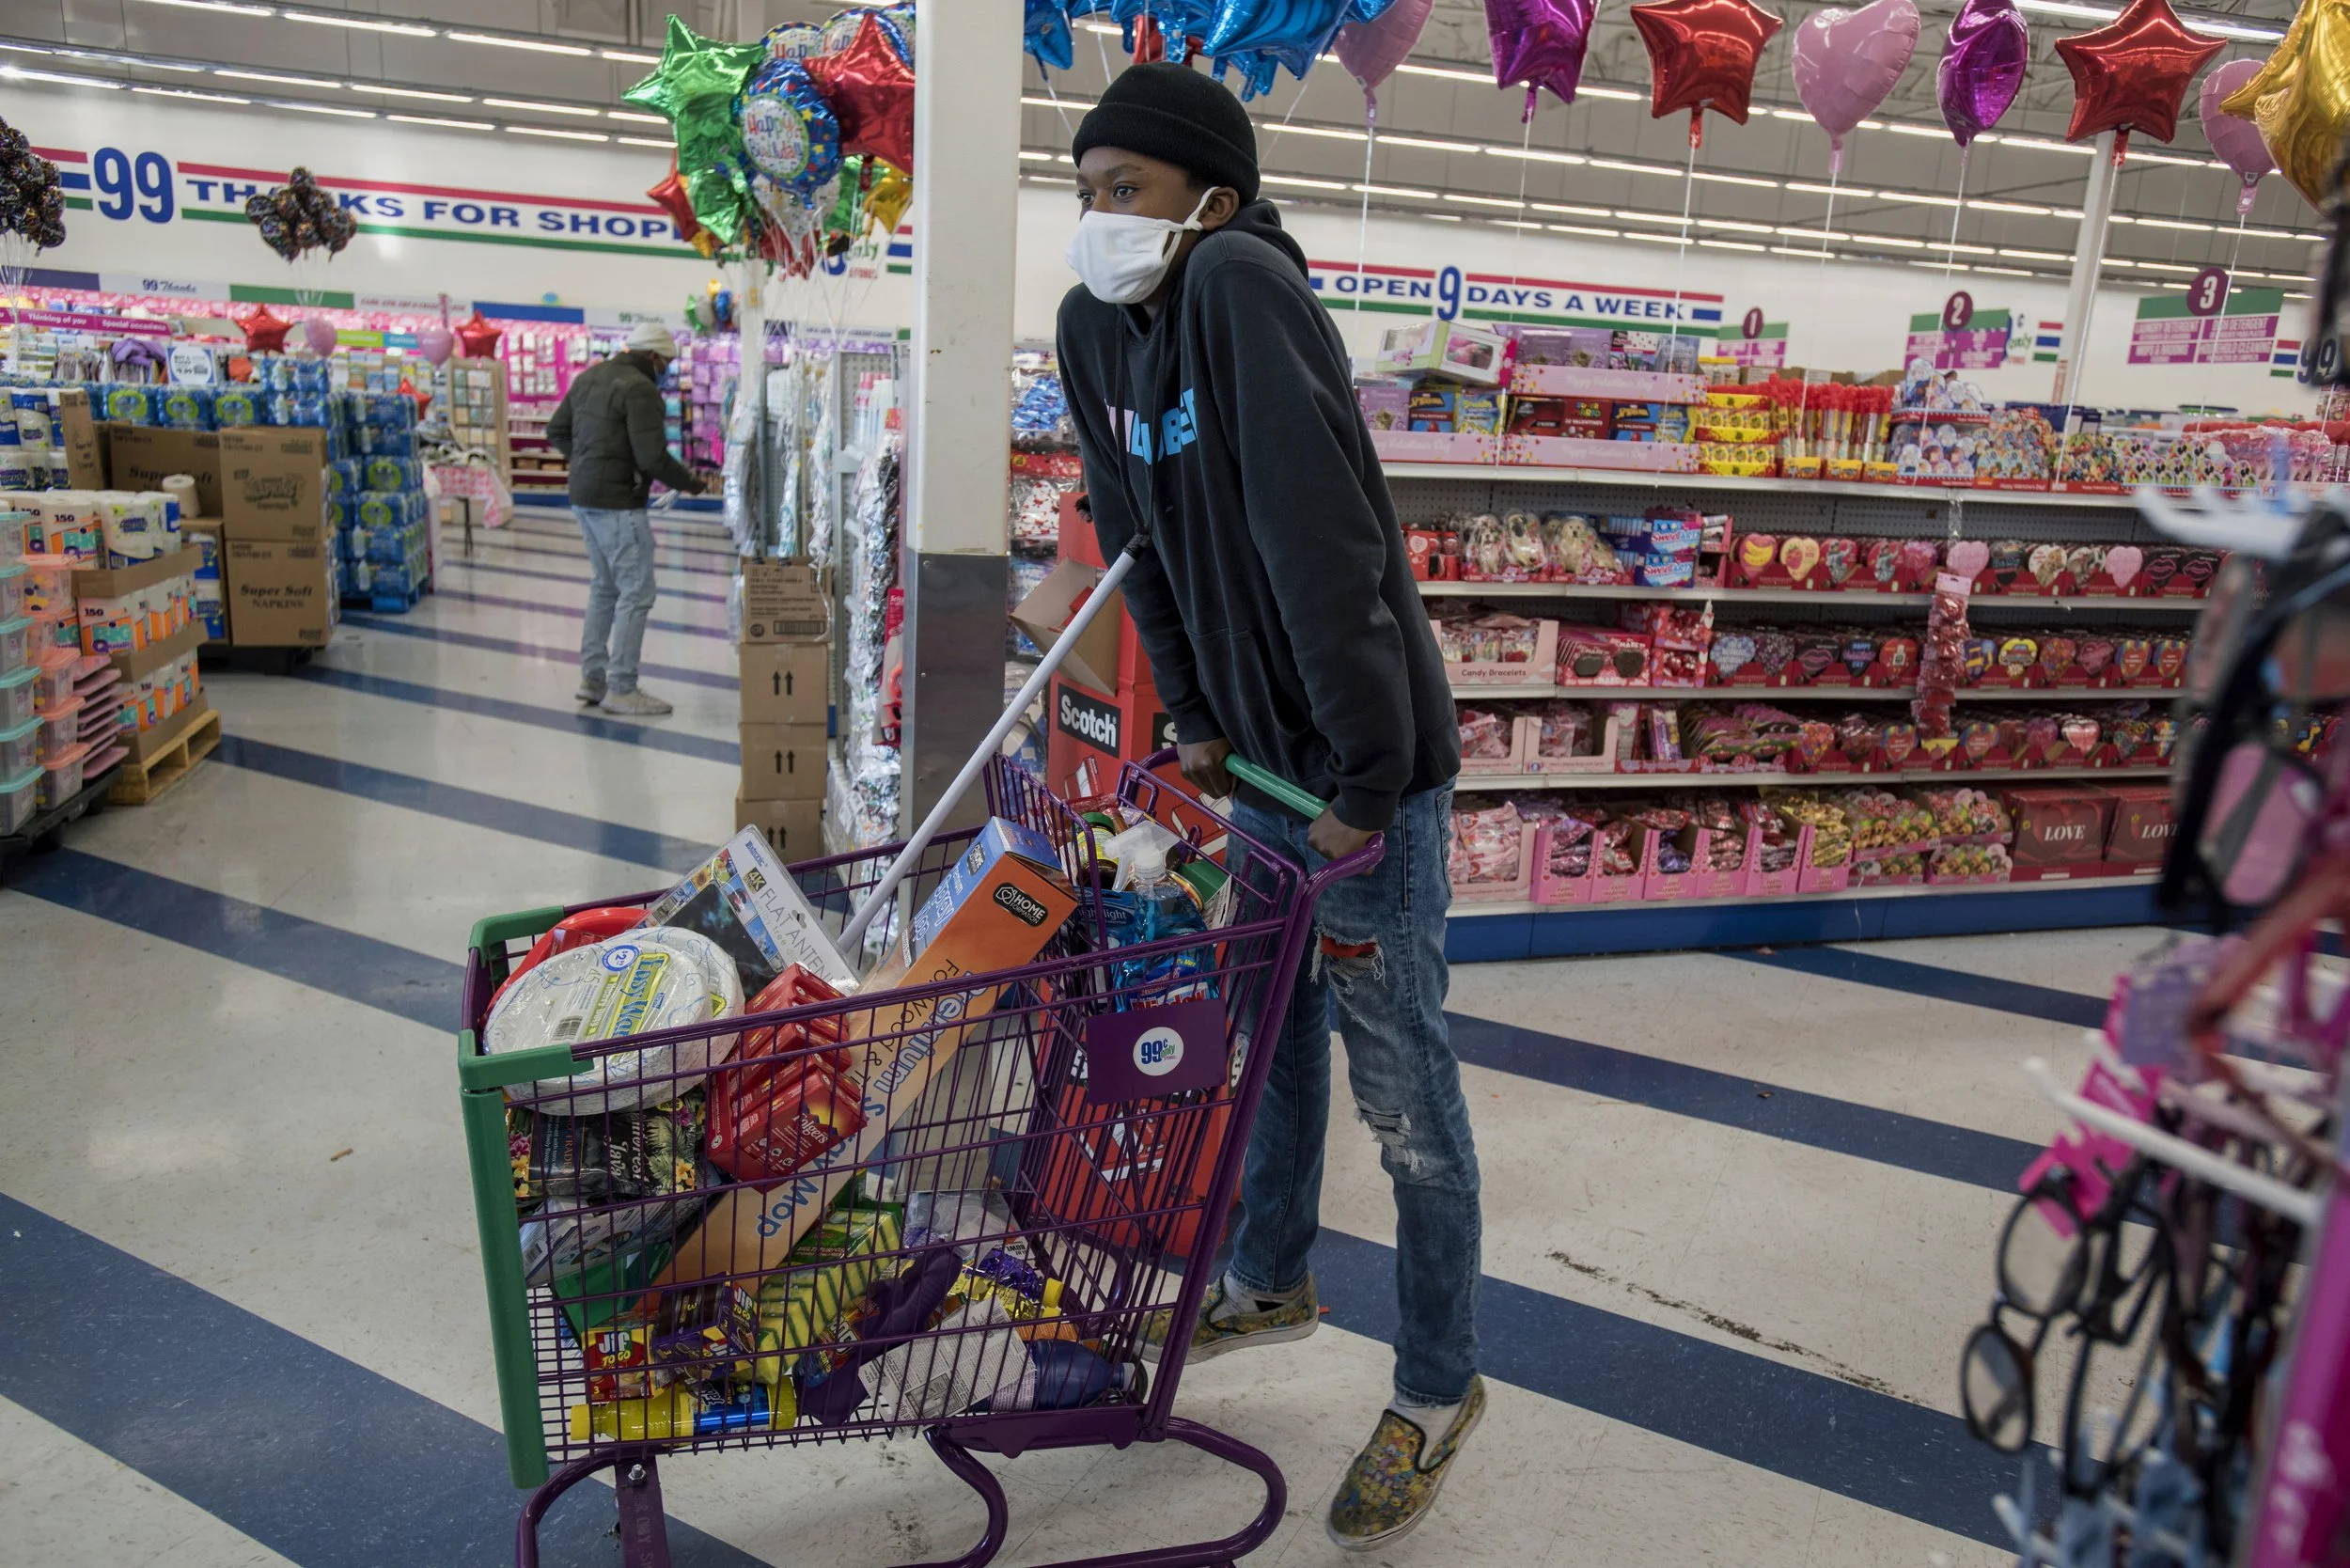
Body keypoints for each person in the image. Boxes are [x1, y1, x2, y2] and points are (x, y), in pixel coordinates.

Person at [1054, 62, 1481, 1553]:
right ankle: (1272, 1277)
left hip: (1360, 775)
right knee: (1274, 1033)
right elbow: (1138, 550)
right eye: (1085, 188)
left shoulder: (1239, 281)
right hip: (1263, 768)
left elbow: (1327, 547)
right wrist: (1197, 718)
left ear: (1211, 198)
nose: (1098, 216)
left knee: (1401, 1088)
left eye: (1129, 190)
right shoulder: (1094, 330)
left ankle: (1436, 1384)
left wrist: (1363, 777)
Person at [546, 319, 705, 716]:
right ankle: (622, 686)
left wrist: (586, 462)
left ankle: (593, 679)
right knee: (637, 592)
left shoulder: (589, 378)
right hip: (618, 503)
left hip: (583, 497)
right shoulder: (639, 389)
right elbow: (652, 456)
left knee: (604, 587)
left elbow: (556, 430)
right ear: (652, 356)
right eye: (664, 362)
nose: (665, 370)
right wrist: (692, 484)